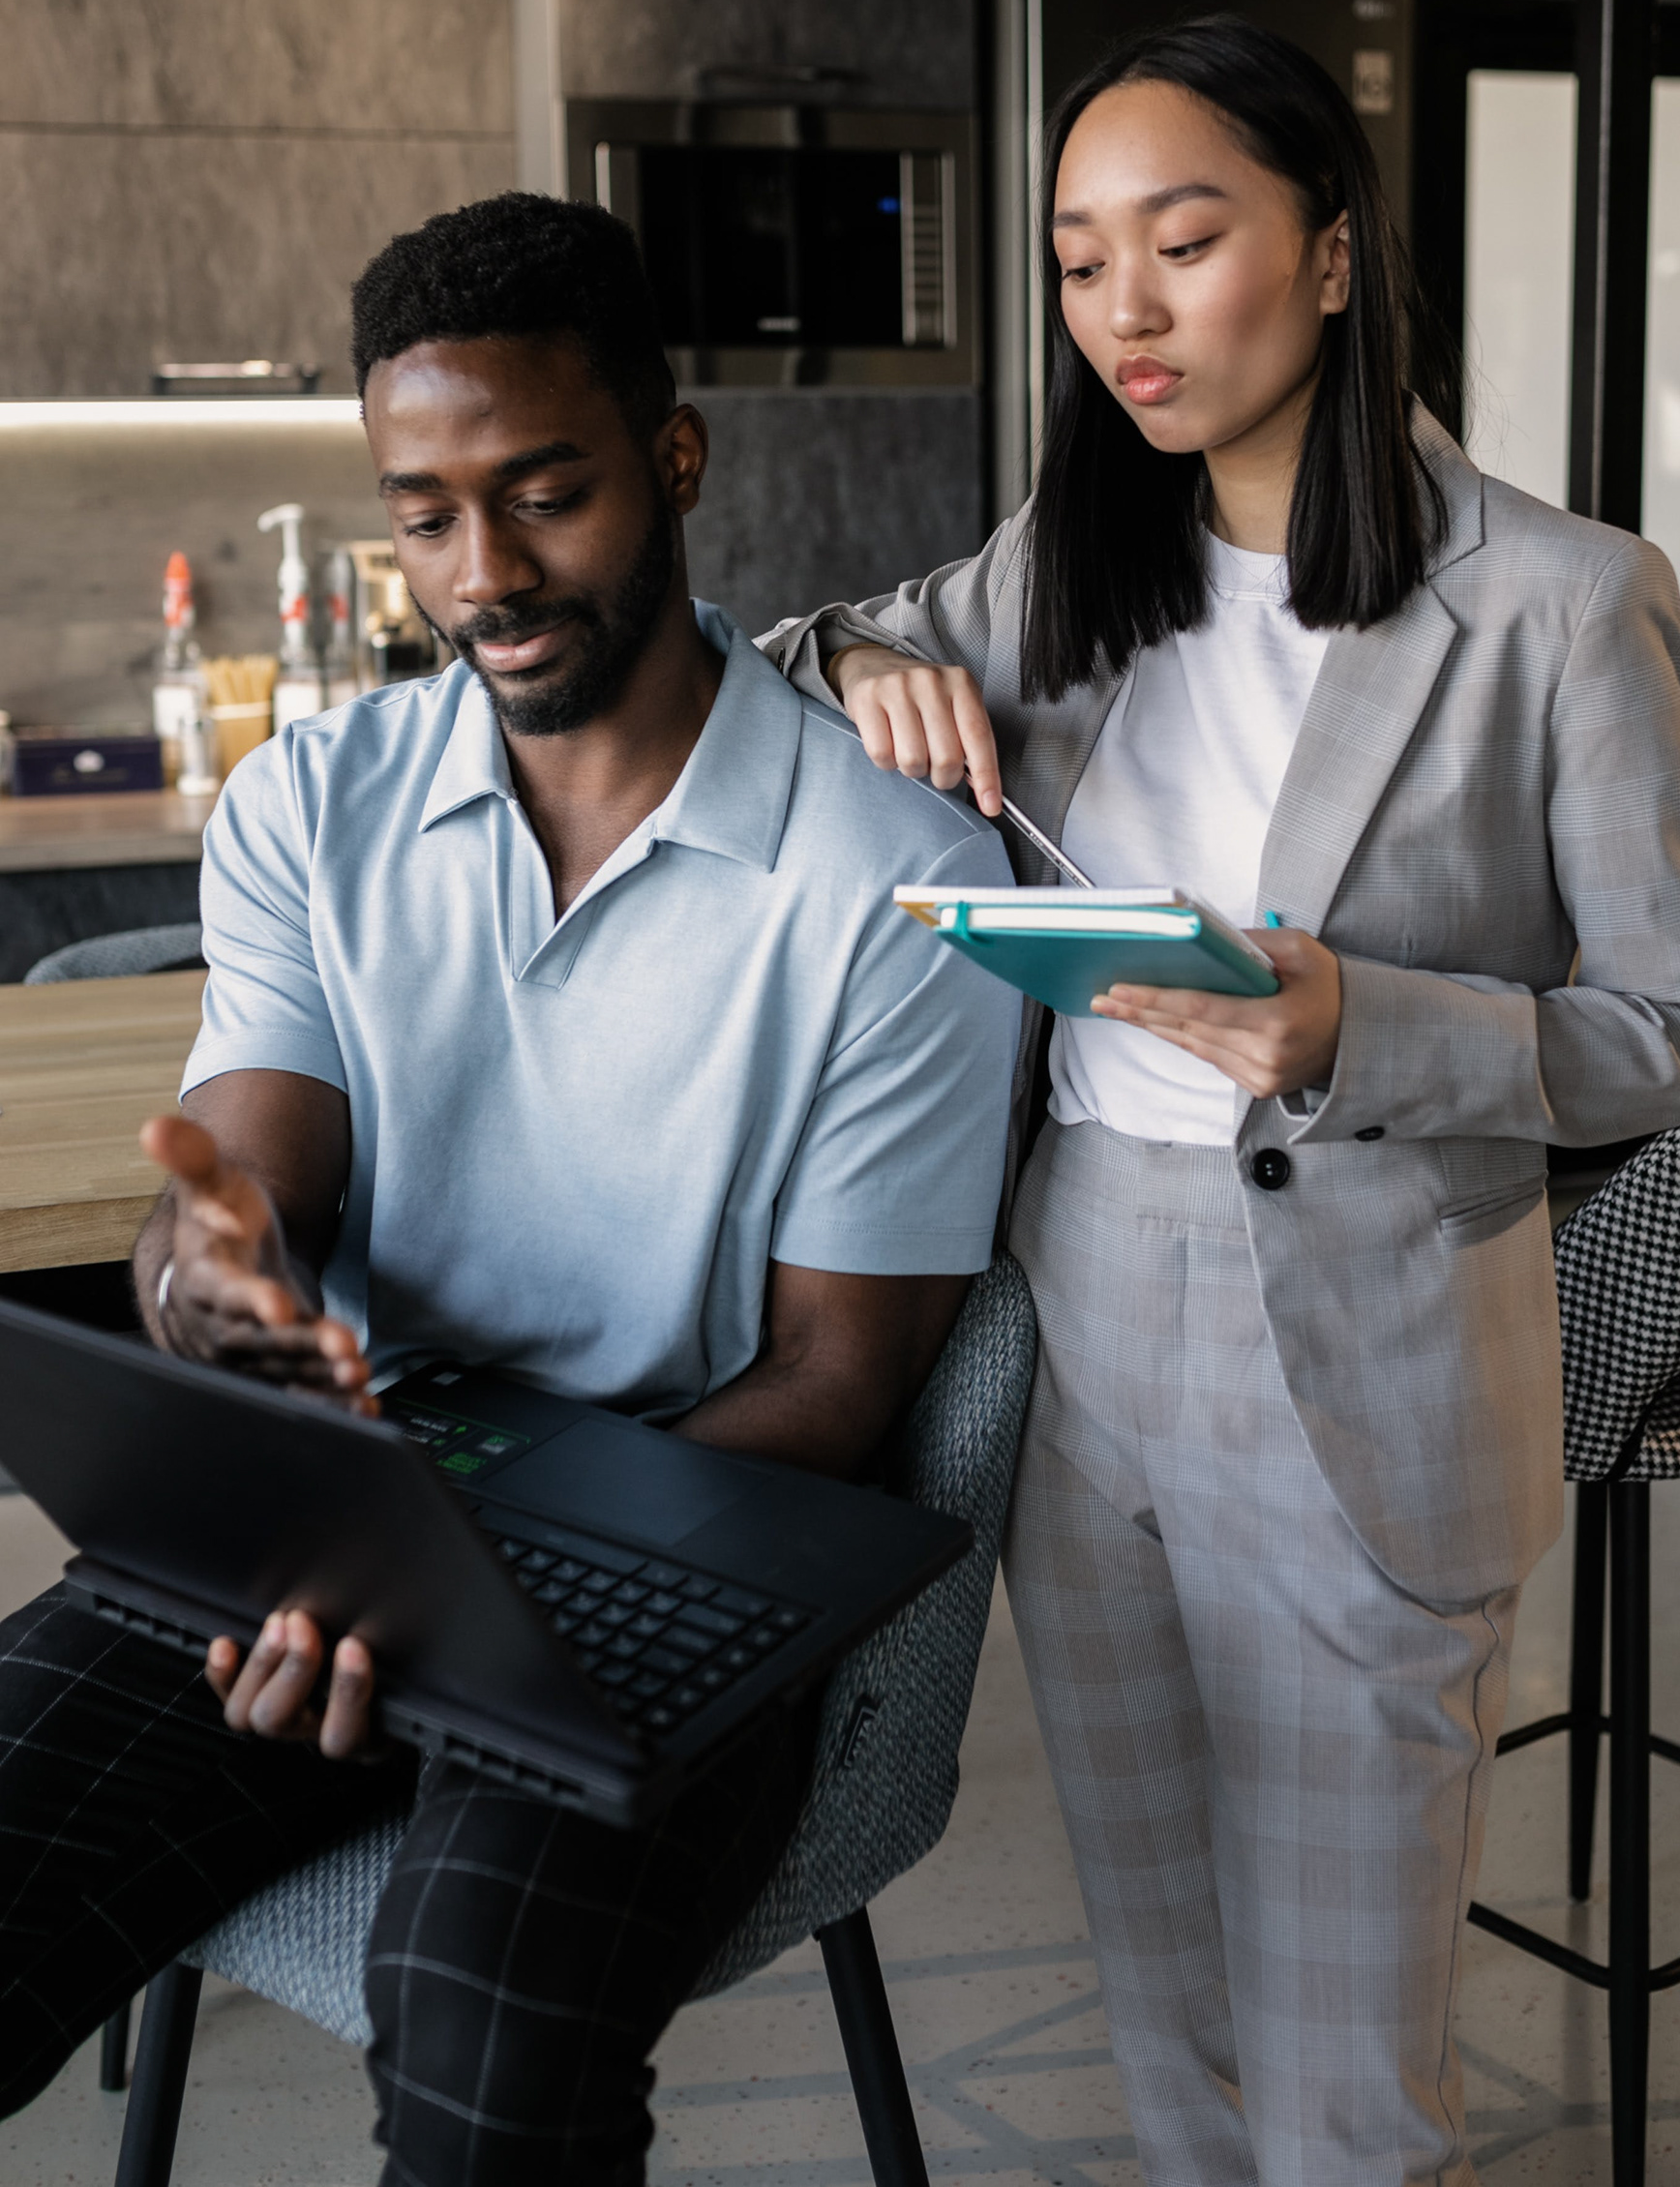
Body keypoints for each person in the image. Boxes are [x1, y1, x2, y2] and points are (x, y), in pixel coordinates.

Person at [762, 15, 1680, 2187]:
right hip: (1087, 1316)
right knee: (1173, 2020)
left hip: (1372, 1340)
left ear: (1327, 254)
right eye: (1076, 258)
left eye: (1182, 241)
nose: (1125, 308)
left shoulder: (1559, 604)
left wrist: (1360, 1030)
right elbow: (791, 652)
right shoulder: (1066, 568)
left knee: (1342, 2080)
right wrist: (864, 663)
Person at [0, 193, 1019, 2187]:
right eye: (427, 512)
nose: (487, 573)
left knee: (483, 2043)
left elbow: (836, 1380)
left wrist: (449, 1574)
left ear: (674, 455)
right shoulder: (317, 800)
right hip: (347, 1513)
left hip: (699, 1545)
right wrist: (204, 1271)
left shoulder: (899, 878)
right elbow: (258, 1176)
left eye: (542, 494)